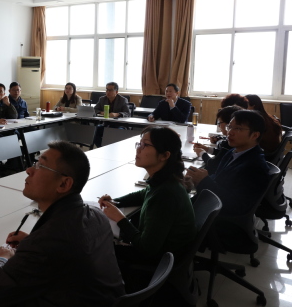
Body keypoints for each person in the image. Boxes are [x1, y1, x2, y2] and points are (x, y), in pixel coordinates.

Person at [0, 141, 124, 306]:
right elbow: (64, 253)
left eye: (40, 166)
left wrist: (1, 258)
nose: (29, 170)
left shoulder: (47, 242)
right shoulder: (97, 215)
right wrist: (30, 242)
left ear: (63, 184)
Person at [99, 127, 196, 269]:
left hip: (159, 263)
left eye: (145, 145)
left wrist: (120, 218)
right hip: (164, 252)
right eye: (139, 144)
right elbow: (143, 193)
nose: (138, 149)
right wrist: (116, 202)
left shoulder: (165, 194)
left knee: (95, 247)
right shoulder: (164, 180)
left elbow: (146, 249)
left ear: (164, 155)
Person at [186, 110, 271, 220]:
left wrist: (204, 181)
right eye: (229, 127)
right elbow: (219, 179)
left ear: (255, 135)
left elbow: (235, 205)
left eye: (238, 128)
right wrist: (195, 182)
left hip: (218, 219)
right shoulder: (233, 152)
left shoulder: (255, 167)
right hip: (209, 206)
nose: (230, 132)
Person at [193, 105, 242, 172]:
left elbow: (213, 165)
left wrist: (202, 153)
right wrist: (207, 149)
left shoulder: (230, 143)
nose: (218, 126)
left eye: (220, 123)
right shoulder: (234, 142)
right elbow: (222, 153)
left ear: (229, 123)